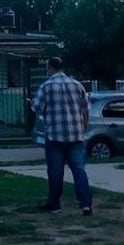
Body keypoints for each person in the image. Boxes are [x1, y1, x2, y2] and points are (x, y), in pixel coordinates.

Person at [31, 58, 93, 215]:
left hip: (55, 135)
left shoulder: (46, 86)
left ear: (50, 67)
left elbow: (36, 108)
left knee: (55, 172)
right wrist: (83, 129)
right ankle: (86, 204)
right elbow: (85, 110)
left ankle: (55, 204)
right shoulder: (77, 85)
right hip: (76, 136)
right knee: (79, 170)